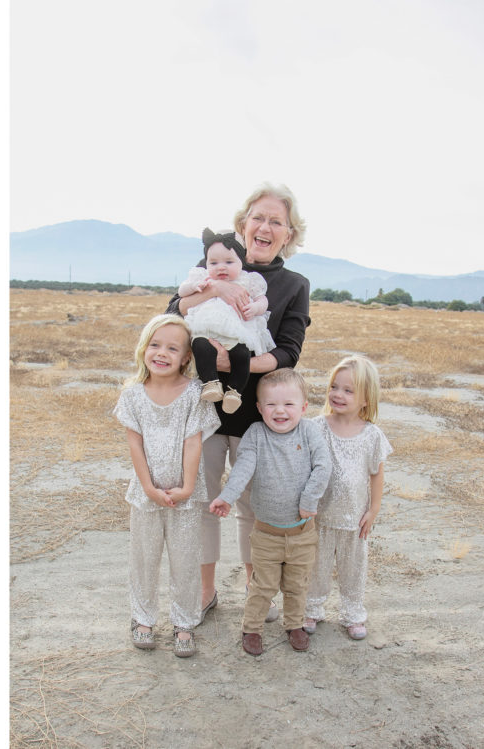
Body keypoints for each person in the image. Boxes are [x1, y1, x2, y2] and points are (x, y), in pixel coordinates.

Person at [166, 183, 311, 626]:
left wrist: (233, 360)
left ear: (289, 234)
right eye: (258, 218)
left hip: (257, 416)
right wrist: (216, 292)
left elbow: (288, 350)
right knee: (203, 499)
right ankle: (207, 591)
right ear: (243, 224)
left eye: (277, 222)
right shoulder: (214, 264)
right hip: (205, 410)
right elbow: (173, 311)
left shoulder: (293, 285)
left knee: (252, 504)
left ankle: (255, 587)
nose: (265, 227)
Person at [113, 314, 220, 657]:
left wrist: (188, 487)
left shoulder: (193, 394)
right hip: (146, 495)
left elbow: (193, 442)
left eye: (173, 348)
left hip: (184, 496)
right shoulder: (132, 395)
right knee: (144, 557)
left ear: (187, 357)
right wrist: (147, 487)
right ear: (144, 348)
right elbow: (134, 444)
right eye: (155, 345)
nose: (162, 353)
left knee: (185, 559)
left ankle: (184, 622)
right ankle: (143, 618)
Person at [209, 368, 332, 656]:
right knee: (262, 585)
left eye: (289, 404)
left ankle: (294, 624)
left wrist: (309, 499)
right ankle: (251, 628)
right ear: (259, 408)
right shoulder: (255, 434)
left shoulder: (310, 431)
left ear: (303, 407)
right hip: (265, 533)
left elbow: (323, 467)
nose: (280, 411)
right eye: (271, 404)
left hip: (302, 531)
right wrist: (227, 497)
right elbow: (243, 468)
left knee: (297, 583)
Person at [304, 356, 392, 640]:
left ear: (367, 398)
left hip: (354, 517)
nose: (338, 395)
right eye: (334, 387)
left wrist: (374, 509)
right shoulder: (316, 427)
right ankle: (312, 609)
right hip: (320, 515)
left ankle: (353, 613)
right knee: (316, 565)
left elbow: (376, 474)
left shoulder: (372, 435)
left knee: (353, 568)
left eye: (349, 390)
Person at [178, 228, 274, 414]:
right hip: (206, 330)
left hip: (236, 332)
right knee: (200, 346)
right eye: (213, 262)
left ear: (241, 261)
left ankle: (234, 393)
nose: (221, 267)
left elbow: (263, 301)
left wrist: (255, 308)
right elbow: (182, 292)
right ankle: (211, 384)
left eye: (229, 262)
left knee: (242, 355)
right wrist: (193, 286)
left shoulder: (248, 280)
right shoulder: (203, 278)